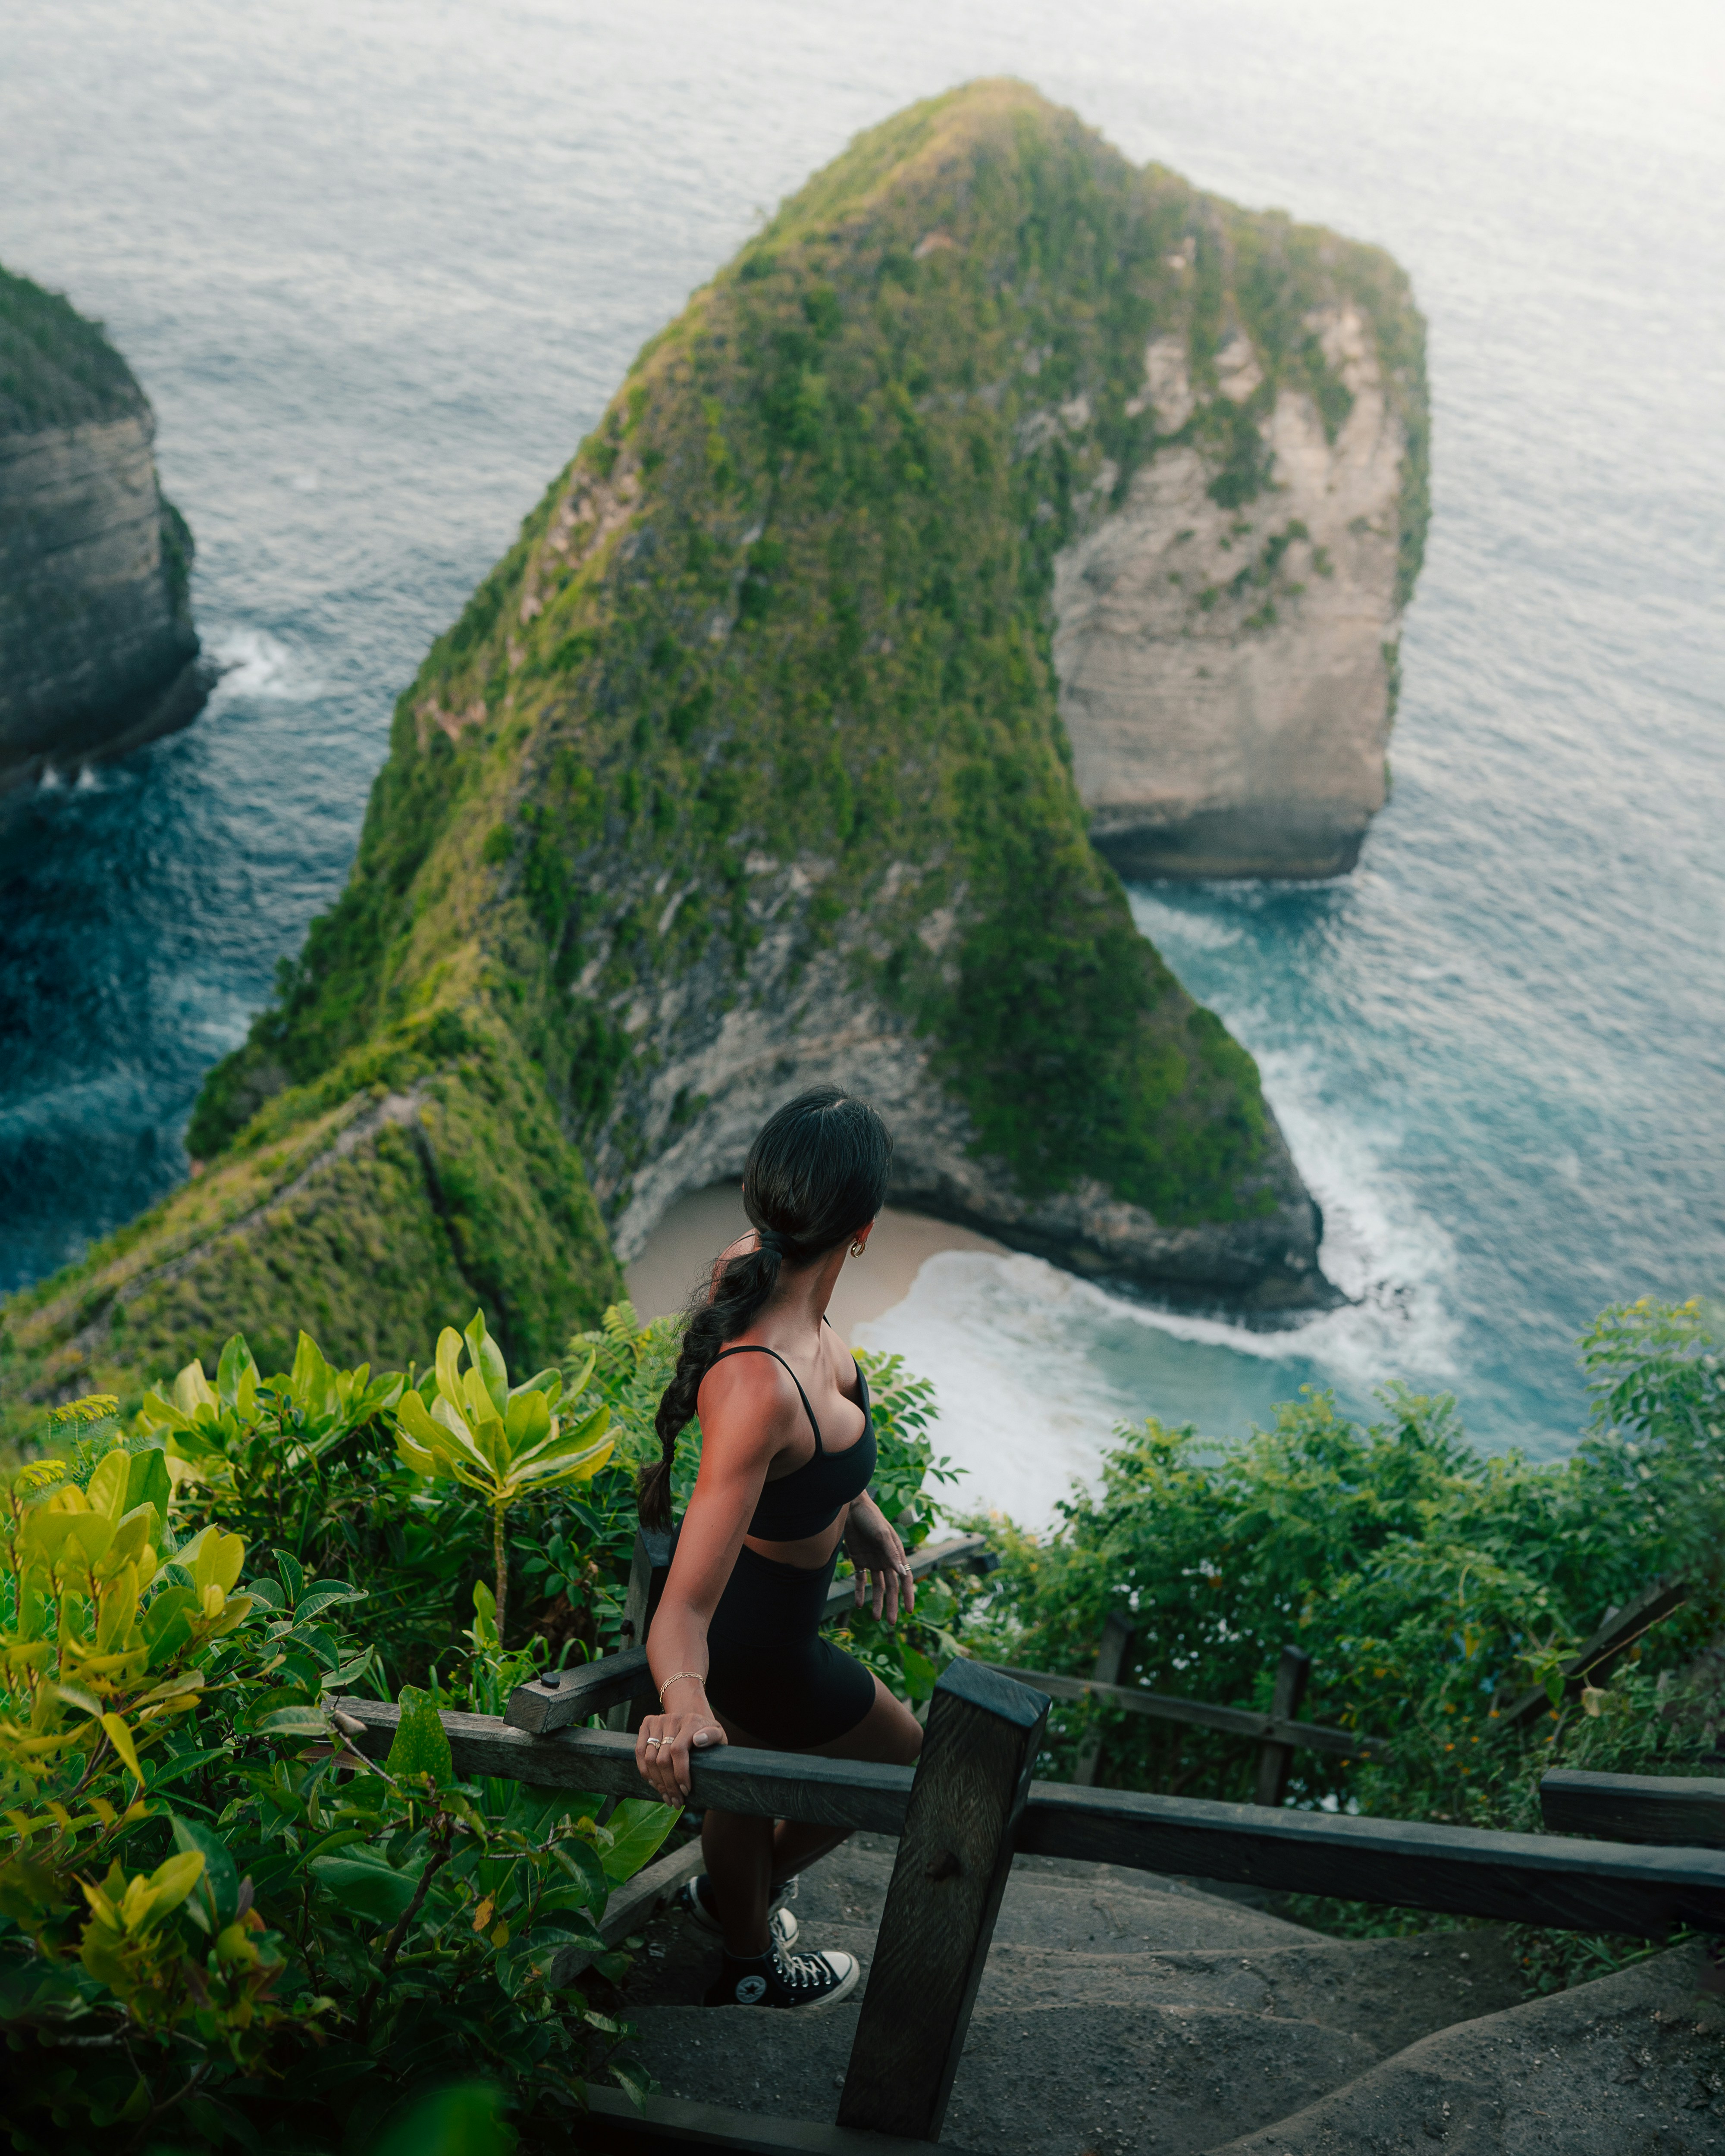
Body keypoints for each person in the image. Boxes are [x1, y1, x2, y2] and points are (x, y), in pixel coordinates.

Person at [632, 1086, 923, 2009]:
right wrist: (683, 1696)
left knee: (750, 1797)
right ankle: (745, 1951)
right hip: (748, 1638)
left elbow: (807, 1462)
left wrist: (861, 1515)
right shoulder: (758, 1386)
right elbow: (681, 1605)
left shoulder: (753, 1269)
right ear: (864, 1228)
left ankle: (734, 1902)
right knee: (900, 1760)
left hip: (778, 1623)